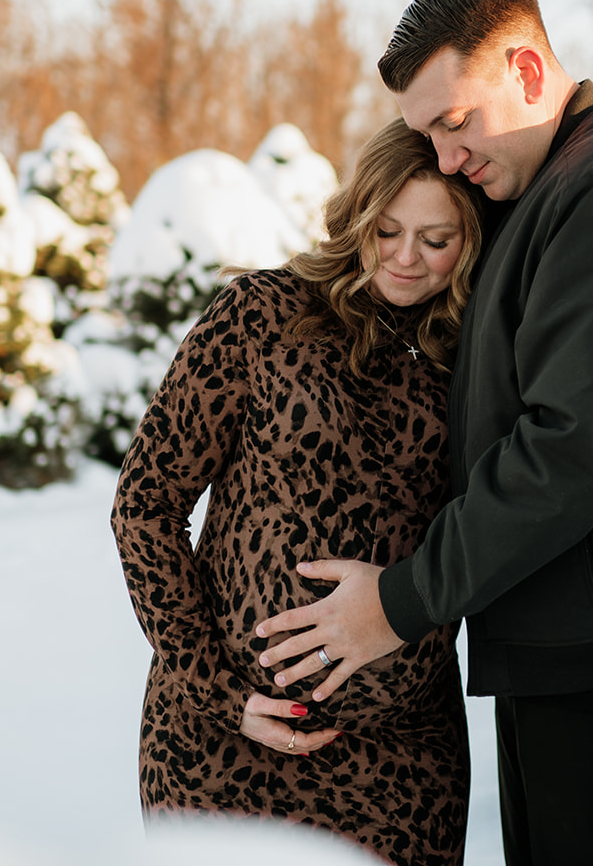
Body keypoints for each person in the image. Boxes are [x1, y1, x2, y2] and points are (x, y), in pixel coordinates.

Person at [254, 0, 593, 866]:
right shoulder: (542, 189)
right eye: (425, 135)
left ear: (528, 69)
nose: (445, 159)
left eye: (456, 123)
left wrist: (401, 604)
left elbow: (582, 446)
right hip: (566, 635)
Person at [111, 120, 484, 866]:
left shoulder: (477, 353)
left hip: (401, 766)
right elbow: (146, 506)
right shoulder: (260, 315)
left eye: (437, 240)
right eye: (387, 230)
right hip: (221, 750)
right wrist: (216, 690)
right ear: (356, 218)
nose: (408, 257)